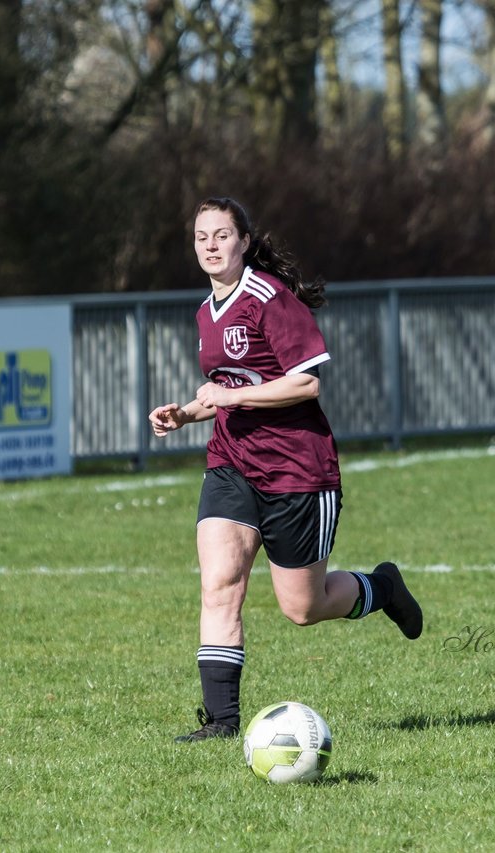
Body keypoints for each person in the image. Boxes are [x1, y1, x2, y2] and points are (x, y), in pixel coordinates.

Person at [149, 197, 424, 743]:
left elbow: (305, 383)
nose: (210, 245)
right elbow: (230, 391)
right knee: (220, 582)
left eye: (221, 235)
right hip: (231, 462)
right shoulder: (206, 311)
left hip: (298, 469)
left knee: (304, 607)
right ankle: (222, 721)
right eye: (202, 236)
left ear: (244, 242)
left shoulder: (269, 299)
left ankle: (382, 587)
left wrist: (226, 401)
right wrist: (185, 413)